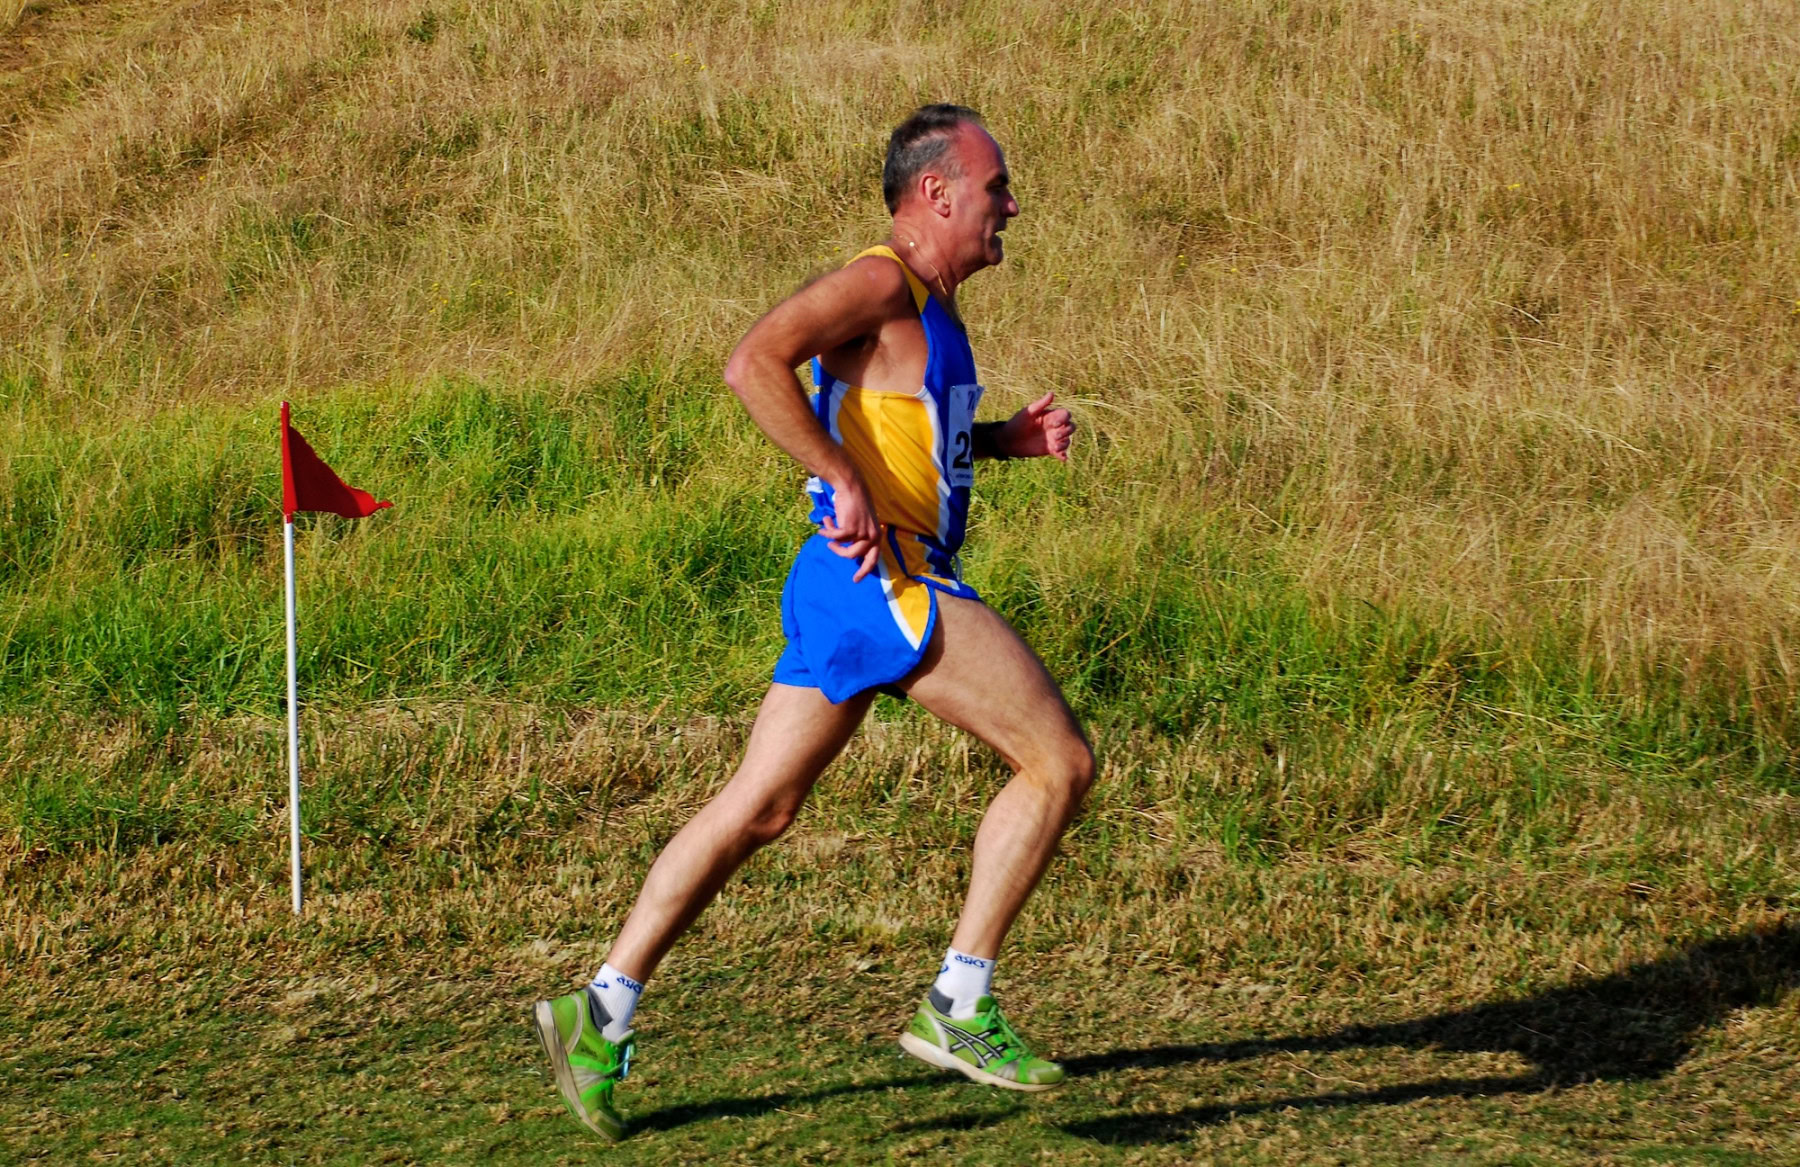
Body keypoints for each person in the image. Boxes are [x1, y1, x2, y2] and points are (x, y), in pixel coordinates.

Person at [533, 103, 1095, 1141]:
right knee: (1058, 760)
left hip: (846, 585)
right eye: (995, 186)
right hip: (885, 576)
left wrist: (1005, 439)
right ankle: (960, 1001)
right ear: (935, 193)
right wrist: (835, 476)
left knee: (759, 808)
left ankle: (598, 1012)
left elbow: (910, 433)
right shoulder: (882, 281)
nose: (1010, 204)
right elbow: (754, 361)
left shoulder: (931, 311)